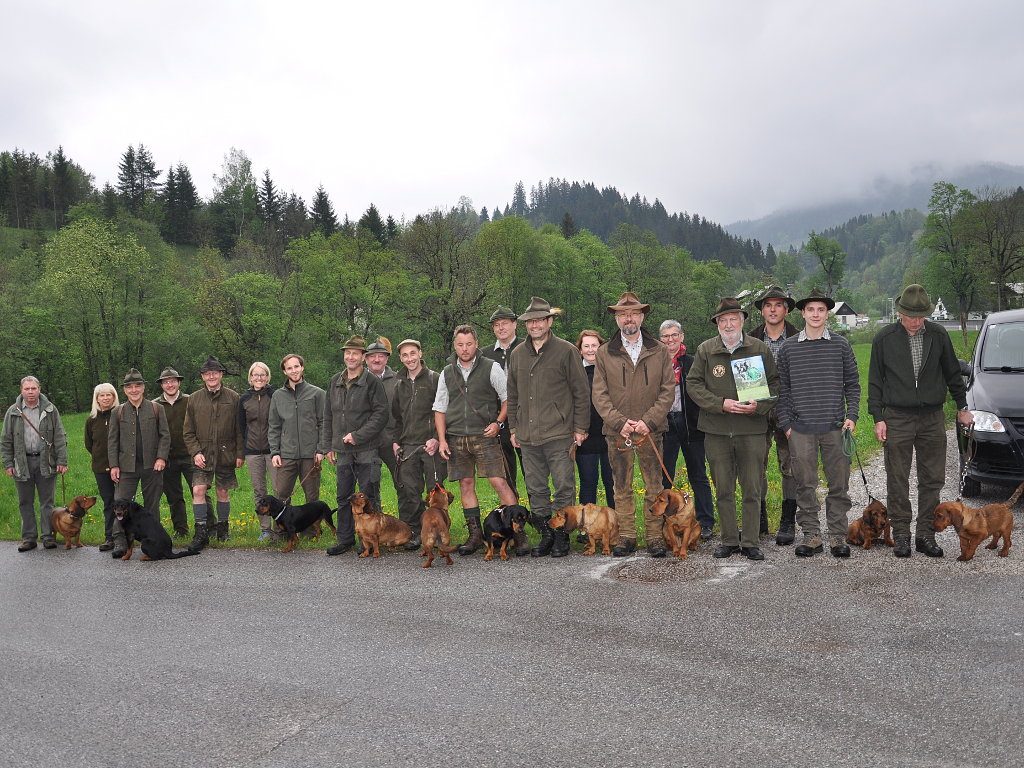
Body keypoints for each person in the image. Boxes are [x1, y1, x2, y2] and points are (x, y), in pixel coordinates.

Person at [868, 284, 973, 558]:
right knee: (897, 478)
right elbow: (875, 382)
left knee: (932, 479)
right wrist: (878, 417)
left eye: (920, 316)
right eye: (910, 315)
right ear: (900, 312)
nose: (916, 321)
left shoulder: (938, 335)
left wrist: (962, 406)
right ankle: (901, 534)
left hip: (932, 418)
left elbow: (952, 373)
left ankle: (925, 534)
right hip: (897, 417)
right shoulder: (884, 339)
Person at [687, 298, 779, 561]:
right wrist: (720, 404)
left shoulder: (758, 348)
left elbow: (775, 384)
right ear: (717, 324)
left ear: (742, 321)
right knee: (723, 488)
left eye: (733, 319)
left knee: (752, 487)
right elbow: (693, 385)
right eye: (723, 320)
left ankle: (750, 541)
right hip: (716, 431)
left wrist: (758, 405)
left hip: (751, 430)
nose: (728, 324)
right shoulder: (706, 350)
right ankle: (728, 539)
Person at [776, 289, 860, 558]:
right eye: (810, 309)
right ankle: (811, 535)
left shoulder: (840, 345)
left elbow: (853, 384)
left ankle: (837, 536)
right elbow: (783, 390)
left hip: (835, 426)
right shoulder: (789, 348)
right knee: (805, 484)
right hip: (800, 429)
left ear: (827, 314)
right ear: (802, 313)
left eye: (821, 310)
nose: (815, 314)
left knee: (839, 484)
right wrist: (787, 424)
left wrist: (852, 415)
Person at [592, 292, 674, 557]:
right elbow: (599, 394)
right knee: (621, 486)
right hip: (619, 432)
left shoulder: (659, 350)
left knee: (654, 486)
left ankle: (654, 536)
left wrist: (648, 421)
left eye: (634, 313)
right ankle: (626, 536)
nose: (628, 318)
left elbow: (667, 391)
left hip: (651, 431)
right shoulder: (605, 353)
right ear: (617, 318)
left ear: (642, 316)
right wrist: (619, 422)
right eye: (623, 314)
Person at [506, 297, 590, 558]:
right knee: (536, 487)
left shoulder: (566, 351)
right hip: (528, 436)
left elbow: (581, 392)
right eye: (531, 321)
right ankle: (545, 534)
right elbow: (513, 393)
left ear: (549, 321)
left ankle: (562, 536)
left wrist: (580, 428)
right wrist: (512, 428)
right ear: (526, 325)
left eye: (540, 319)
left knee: (564, 485)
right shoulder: (517, 353)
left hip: (559, 433)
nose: (535, 325)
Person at [434, 324, 519, 555]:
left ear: (476, 344)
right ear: (454, 345)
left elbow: (507, 399)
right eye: (460, 345)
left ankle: (516, 533)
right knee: (466, 484)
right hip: (457, 437)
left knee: (498, 481)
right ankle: (475, 535)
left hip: (485, 435)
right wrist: (442, 440)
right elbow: (440, 408)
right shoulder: (446, 372)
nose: (464, 349)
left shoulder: (492, 368)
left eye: (469, 344)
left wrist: (499, 423)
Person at [321, 336, 389, 556]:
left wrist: (358, 436)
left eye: (355, 353)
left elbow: (381, 415)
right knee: (343, 496)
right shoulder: (334, 381)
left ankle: (370, 541)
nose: (350, 357)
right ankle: (345, 539)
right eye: (347, 353)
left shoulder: (372, 382)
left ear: (363, 357)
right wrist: (328, 446)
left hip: (367, 448)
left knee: (368, 495)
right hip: (342, 451)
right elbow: (328, 415)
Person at [749, 285, 800, 544]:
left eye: (778, 305)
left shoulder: (798, 337)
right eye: (768, 305)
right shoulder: (751, 339)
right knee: (755, 464)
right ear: (761, 311)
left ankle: (788, 521)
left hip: (788, 409)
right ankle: (757, 521)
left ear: (786, 309)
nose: (772, 309)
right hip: (757, 410)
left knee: (789, 466)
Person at [658, 320, 716, 540]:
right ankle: (666, 522)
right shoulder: (657, 363)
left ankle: (705, 521)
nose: (670, 340)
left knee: (698, 474)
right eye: (665, 336)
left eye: (674, 335)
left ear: (682, 336)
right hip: (666, 424)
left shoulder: (693, 362)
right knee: (665, 475)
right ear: (660, 340)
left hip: (691, 423)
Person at [391, 338, 447, 551]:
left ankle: (439, 531)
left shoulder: (434, 379)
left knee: (435, 492)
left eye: (412, 353)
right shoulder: (399, 384)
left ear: (420, 353)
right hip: (408, 446)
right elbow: (396, 417)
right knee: (410, 492)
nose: (409, 358)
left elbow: (442, 411)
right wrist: (396, 442)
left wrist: (437, 438)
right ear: (401, 358)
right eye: (405, 355)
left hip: (430, 444)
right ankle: (414, 532)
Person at [1, 376, 69, 552]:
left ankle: (48, 536)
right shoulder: (13, 411)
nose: (30, 392)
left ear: (39, 389)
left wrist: (62, 461)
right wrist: (8, 463)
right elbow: (6, 440)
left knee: (47, 502)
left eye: (33, 388)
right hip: (21, 462)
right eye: (27, 389)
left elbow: (60, 437)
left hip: (45, 461)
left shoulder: (50, 410)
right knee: (25, 501)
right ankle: (29, 538)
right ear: (21, 390)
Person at [108, 368, 171, 557]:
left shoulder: (156, 408)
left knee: (152, 507)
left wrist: (161, 457)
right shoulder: (118, 412)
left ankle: (155, 541)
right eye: (129, 387)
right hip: (126, 467)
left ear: (143, 388)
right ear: (125, 390)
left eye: (137, 386)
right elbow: (112, 441)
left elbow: (165, 435)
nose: (134, 390)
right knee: (120, 507)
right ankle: (119, 542)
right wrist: (114, 465)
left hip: (152, 466)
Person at [183, 356, 244, 550]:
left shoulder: (233, 397)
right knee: (198, 490)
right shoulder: (193, 399)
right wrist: (195, 452)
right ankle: (201, 530)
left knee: (222, 491)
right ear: (202, 377)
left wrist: (240, 454)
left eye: (215, 373)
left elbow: (240, 430)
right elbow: (188, 431)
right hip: (203, 454)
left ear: (221, 375)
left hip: (226, 453)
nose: (211, 376)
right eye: (207, 373)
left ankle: (223, 528)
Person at [268, 353, 325, 515]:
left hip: (311, 455)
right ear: (284, 372)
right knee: (281, 495)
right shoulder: (278, 396)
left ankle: (312, 533)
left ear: (302, 367)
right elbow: (274, 426)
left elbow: (324, 423)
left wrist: (321, 450)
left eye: (296, 366)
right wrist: (275, 452)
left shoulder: (317, 393)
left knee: (312, 496)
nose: (294, 371)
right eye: (289, 368)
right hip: (286, 455)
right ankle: (282, 532)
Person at [481, 305, 523, 496]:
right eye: (496, 325)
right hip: (497, 419)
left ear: (515, 324)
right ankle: (512, 514)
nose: (501, 328)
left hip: (525, 416)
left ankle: (538, 514)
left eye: (505, 323)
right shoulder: (484, 354)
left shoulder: (527, 348)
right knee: (505, 470)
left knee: (531, 469)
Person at [575, 330, 614, 511]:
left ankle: (618, 526)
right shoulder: (575, 373)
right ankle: (586, 528)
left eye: (594, 346)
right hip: (585, 436)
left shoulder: (610, 371)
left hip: (610, 434)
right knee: (588, 483)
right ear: (580, 350)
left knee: (612, 483)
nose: (591, 350)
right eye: (586, 346)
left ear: (601, 348)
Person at [239, 361, 277, 540]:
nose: (259, 378)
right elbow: (240, 427)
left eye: (263, 374)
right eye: (255, 374)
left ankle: (281, 528)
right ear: (250, 377)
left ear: (268, 377)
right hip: (253, 451)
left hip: (274, 450)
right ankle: (265, 530)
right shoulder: (244, 399)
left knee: (279, 490)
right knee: (259, 491)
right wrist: (241, 451)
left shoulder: (275, 395)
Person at [155, 367, 194, 538]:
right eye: (166, 382)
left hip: (190, 455)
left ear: (179, 382)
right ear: (162, 385)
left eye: (173, 381)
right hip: (167, 458)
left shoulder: (190, 401)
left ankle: (208, 527)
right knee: (174, 497)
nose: (169, 384)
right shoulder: (155, 405)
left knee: (199, 492)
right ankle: (181, 530)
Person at [365, 338, 399, 512]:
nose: (376, 360)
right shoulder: (358, 380)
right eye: (372, 356)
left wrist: (399, 438)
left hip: (393, 440)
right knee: (370, 484)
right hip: (367, 442)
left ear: (387, 358)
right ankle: (374, 527)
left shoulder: (399, 380)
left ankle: (410, 527)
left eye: (381, 356)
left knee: (403, 483)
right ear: (366, 359)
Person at [84, 382, 119, 551]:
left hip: (121, 467)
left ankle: (124, 537)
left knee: (122, 502)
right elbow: (89, 444)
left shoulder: (120, 415)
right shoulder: (91, 420)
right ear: (96, 399)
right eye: (102, 395)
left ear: (114, 397)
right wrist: (101, 458)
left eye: (109, 395)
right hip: (100, 468)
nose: (105, 398)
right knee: (108, 502)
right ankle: (109, 537)